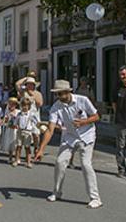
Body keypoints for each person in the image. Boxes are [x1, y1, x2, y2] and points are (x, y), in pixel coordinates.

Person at [34, 79, 103, 209]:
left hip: (87, 136)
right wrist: (41, 149)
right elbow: (50, 129)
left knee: (86, 164)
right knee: (60, 162)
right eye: (57, 94)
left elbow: (96, 116)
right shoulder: (56, 107)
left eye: (61, 94)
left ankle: (95, 198)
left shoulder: (83, 100)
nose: (59, 97)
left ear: (68, 92)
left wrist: (83, 122)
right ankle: (57, 192)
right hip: (69, 136)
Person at [18, 76, 43, 149]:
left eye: (31, 84)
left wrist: (32, 95)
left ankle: (36, 147)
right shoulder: (23, 92)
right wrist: (26, 77)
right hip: (25, 115)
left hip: (34, 115)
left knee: (36, 134)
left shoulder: (37, 93)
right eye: (28, 84)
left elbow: (40, 104)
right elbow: (17, 84)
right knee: (25, 134)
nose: (29, 85)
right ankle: (26, 151)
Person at [14, 98, 38, 168]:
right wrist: (14, 124)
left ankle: (28, 162)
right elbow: (16, 122)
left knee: (27, 147)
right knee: (18, 146)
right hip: (20, 131)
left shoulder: (31, 115)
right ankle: (16, 160)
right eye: (23, 105)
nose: (25, 107)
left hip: (27, 132)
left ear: (29, 106)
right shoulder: (19, 114)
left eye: (27, 105)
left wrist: (37, 129)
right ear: (21, 106)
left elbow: (36, 123)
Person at [2, 97, 20, 165]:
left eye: (13, 104)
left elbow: (19, 120)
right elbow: (5, 121)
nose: (12, 105)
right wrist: (6, 120)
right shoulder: (7, 112)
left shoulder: (18, 112)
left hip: (15, 130)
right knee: (10, 144)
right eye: (10, 104)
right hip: (9, 129)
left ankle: (17, 158)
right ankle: (10, 157)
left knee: (16, 144)